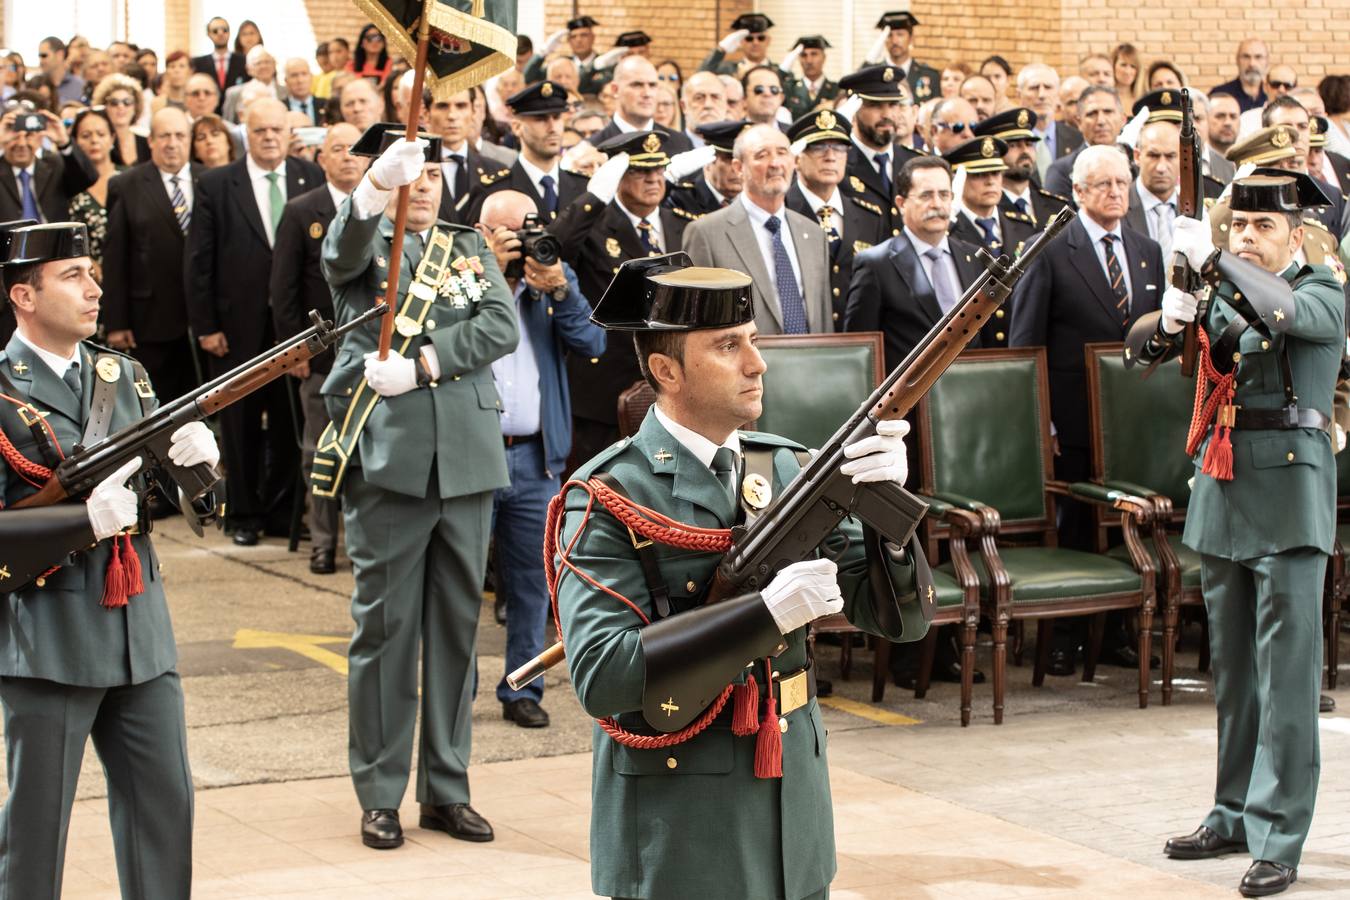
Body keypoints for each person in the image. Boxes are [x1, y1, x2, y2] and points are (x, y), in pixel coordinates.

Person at [555, 251, 920, 900]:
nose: (757, 363)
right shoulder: (610, 493)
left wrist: (886, 515)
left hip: (794, 803)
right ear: (666, 370)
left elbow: (898, 621)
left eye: (752, 341)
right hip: (683, 818)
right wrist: (763, 616)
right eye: (728, 346)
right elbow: (603, 677)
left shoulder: (785, 468)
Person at [1134, 171, 1344, 899]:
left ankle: (1280, 836)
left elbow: (1283, 313)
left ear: (1296, 235)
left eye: (1264, 227)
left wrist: (1216, 262)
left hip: (1288, 499)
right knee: (1235, 678)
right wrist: (1171, 316)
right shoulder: (1224, 293)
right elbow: (1140, 355)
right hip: (1224, 493)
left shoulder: (1323, 290)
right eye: (1240, 227)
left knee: (1287, 679)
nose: (1249, 237)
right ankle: (1231, 815)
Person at [0, 218, 220, 900]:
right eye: (73, 276)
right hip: (51, 637)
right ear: (24, 296)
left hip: (140, 632)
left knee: (164, 812)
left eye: (93, 274)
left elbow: (186, 504)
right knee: (36, 830)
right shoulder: (4, 391)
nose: (95, 289)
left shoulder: (123, 375)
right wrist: (80, 522)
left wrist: (203, 470)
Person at [317, 132, 517, 849]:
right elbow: (338, 254)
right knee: (385, 631)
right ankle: (379, 791)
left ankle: (446, 787)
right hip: (389, 458)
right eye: (412, 173)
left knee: (458, 630)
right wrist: (373, 188)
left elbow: (500, 324)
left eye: (433, 172)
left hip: (467, 457)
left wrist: (428, 362)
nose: (425, 185)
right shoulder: (365, 245)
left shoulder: (466, 246)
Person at [1009, 144, 1163, 673]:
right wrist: (1042, 421)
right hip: (1071, 420)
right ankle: (1063, 638)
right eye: (1103, 184)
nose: (1115, 192)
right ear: (1077, 191)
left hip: (1131, 421)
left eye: (1122, 183)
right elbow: (1026, 344)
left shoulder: (1146, 250)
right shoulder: (1050, 249)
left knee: (1127, 526)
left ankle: (1115, 634)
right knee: (1075, 527)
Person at [476, 188, 605, 728]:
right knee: (462, 581)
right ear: (482, 233)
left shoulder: (551, 275)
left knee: (533, 582)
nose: (523, 243)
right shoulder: (464, 279)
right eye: (510, 233)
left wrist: (560, 290)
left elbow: (592, 342)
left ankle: (522, 689)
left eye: (530, 229)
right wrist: (492, 276)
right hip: (474, 455)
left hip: (536, 458)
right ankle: (454, 689)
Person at [185, 98, 321, 546]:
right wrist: (206, 326)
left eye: (277, 130)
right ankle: (243, 514)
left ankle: (282, 512)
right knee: (240, 422)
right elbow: (199, 261)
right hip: (235, 326)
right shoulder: (216, 184)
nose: (269, 138)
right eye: (260, 130)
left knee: (287, 419)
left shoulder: (309, 175)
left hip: (294, 326)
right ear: (246, 133)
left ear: (288, 133)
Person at [552, 132, 689, 468]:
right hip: (605, 393)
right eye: (640, 171)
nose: (653, 179)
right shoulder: (593, 226)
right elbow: (554, 249)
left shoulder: (681, 223)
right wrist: (594, 198)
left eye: (658, 169)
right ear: (617, 175)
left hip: (673, 386)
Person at [269, 123, 367, 575]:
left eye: (355, 149)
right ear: (321, 159)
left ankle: (364, 543)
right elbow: (283, 289)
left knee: (370, 453)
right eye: (337, 149)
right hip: (322, 356)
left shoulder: (382, 205)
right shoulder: (300, 210)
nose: (347, 156)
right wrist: (297, 352)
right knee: (320, 450)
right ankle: (324, 543)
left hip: (371, 355)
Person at [846, 154, 994, 370]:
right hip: (910, 390)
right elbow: (860, 352)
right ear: (901, 203)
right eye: (926, 195)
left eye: (944, 194)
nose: (937, 204)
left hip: (972, 385)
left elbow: (987, 339)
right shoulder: (876, 265)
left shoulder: (974, 258)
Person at [683, 123, 832, 336]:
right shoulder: (706, 233)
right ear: (738, 168)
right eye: (762, 155)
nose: (775, 163)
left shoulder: (814, 233)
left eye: (782, 153)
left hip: (812, 356)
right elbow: (697, 325)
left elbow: (824, 321)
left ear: (794, 161)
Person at [102, 106, 201, 411]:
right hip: (151, 320)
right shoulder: (126, 185)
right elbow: (115, 257)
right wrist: (116, 322)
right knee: (160, 408)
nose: (172, 143)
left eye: (180, 135)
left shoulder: (211, 180)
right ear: (151, 141)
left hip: (204, 320)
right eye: (164, 136)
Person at [785, 110, 887, 324]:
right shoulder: (783, 211)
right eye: (818, 147)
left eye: (839, 148)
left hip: (858, 336)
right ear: (796, 158)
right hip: (803, 334)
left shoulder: (870, 216)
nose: (830, 156)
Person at [475, 81, 587, 223]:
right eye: (541, 119)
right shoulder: (494, 190)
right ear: (517, 127)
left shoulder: (584, 187)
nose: (552, 128)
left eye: (557, 117)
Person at [943, 136, 1037, 297]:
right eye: (979, 174)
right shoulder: (950, 231)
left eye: (996, 173)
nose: (990, 181)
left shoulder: (1024, 226)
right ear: (959, 179)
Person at [838, 64, 917, 234]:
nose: (887, 114)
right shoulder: (838, 164)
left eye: (893, 104)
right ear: (855, 108)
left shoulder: (914, 163)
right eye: (875, 105)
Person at [974, 106, 1071, 227]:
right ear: (993, 154)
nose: (1025, 151)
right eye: (1013, 145)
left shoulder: (1056, 206)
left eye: (1029, 144)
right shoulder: (987, 208)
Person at [0, 101, 95, 224]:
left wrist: (64, 143)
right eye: (14, 136)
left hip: (52, 235)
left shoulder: (54, 165)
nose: (21, 143)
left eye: (29, 135)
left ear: (40, 137)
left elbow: (88, 179)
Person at [426, 89, 510, 225]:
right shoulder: (412, 173)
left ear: (473, 112)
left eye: (461, 106)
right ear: (426, 113)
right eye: (442, 106)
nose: (452, 115)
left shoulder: (498, 172)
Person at [589, 56, 694, 153]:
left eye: (652, 85)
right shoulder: (593, 148)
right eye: (637, 85)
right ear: (615, 90)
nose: (647, 93)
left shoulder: (680, 144)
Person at [1045, 85, 1125, 201]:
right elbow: (1059, 212)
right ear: (1079, 122)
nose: (1101, 121)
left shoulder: (1136, 165)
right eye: (1092, 114)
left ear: (1123, 119)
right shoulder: (1061, 171)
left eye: (1108, 112)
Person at [65, 108, 118, 277]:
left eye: (101, 134)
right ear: (75, 141)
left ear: (112, 138)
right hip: (86, 276)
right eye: (86, 136)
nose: (94, 140)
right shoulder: (68, 184)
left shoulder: (132, 178)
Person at [664, 118, 748, 217]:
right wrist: (670, 177)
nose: (737, 168)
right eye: (729, 160)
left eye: (743, 160)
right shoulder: (681, 198)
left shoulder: (754, 198)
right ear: (708, 162)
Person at [1017, 62, 1084, 181]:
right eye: (1034, 88)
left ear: (1058, 95)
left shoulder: (1078, 139)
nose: (1041, 95)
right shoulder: (1011, 142)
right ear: (1019, 96)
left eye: (1048, 87)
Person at [867, 10, 940, 103]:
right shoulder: (873, 75)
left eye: (900, 34)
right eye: (889, 35)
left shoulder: (931, 76)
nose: (894, 41)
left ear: (911, 38)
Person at [191, 17, 248, 113]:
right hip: (207, 114)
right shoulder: (197, 63)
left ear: (229, 33)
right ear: (209, 34)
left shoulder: (244, 61)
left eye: (224, 30)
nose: (220, 33)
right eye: (215, 31)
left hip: (237, 114)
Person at [91, 72, 149, 167]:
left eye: (127, 102)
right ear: (104, 106)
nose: (121, 107)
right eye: (114, 102)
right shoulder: (98, 143)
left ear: (135, 106)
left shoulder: (147, 142)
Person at [778, 35, 838, 120]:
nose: (809, 61)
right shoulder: (789, 89)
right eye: (803, 55)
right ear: (798, 58)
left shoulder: (837, 90)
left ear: (824, 57)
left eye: (814, 54)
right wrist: (783, 69)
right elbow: (772, 86)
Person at [700, 13, 775, 80]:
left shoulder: (777, 71)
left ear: (768, 41)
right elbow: (701, 76)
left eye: (761, 38)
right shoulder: (727, 70)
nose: (755, 43)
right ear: (741, 42)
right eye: (749, 39)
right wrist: (721, 49)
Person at [223, 45, 283, 125]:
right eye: (258, 63)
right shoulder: (234, 93)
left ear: (274, 65)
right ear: (248, 69)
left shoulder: (286, 91)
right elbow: (227, 124)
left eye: (267, 62)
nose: (263, 66)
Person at [1212, 38, 1270, 113]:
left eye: (1258, 57)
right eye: (1246, 57)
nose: (1252, 63)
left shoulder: (1274, 95)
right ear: (1237, 60)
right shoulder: (1219, 95)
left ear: (1267, 61)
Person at [679, 71, 730, 147]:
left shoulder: (737, 149)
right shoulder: (668, 149)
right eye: (699, 98)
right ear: (684, 106)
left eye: (715, 97)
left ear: (726, 104)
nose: (708, 105)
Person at [37, 36, 84, 105]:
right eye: (40, 56)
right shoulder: (35, 84)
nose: (41, 61)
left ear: (60, 55)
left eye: (44, 56)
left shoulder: (79, 85)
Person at [284, 58, 321, 125]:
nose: (300, 80)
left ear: (311, 77)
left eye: (304, 74)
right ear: (286, 81)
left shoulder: (327, 106)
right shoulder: (280, 109)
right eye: (294, 75)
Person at [1110, 43, 1141, 111]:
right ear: (1113, 66)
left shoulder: (1143, 100)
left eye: (1133, 66)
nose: (1128, 71)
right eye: (1123, 65)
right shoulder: (1105, 98)